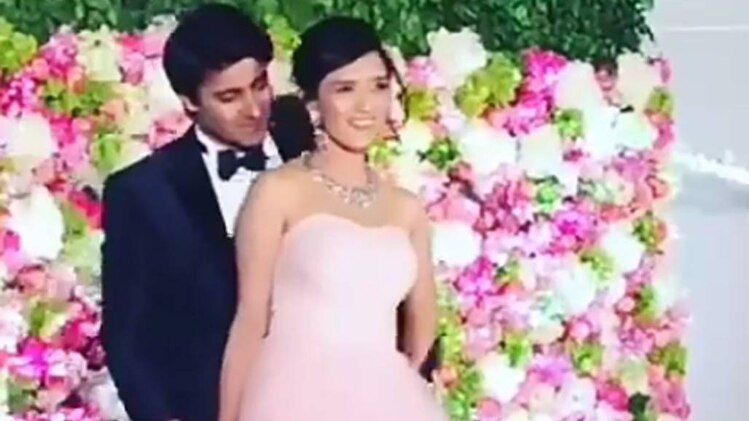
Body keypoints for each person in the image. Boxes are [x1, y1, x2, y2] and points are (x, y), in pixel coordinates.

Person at [218, 16, 449, 421]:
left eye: (378, 86)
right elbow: (250, 320)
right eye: (345, 89)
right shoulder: (279, 191)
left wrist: (400, 386)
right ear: (313, 103)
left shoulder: (406, 209)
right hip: (292, 398)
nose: (365, 106)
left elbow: (424, 318)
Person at [99, 4, 306, 421]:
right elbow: (129, 341)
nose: (254, 109)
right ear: (189, 102)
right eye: (229, 97)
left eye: (259, 86)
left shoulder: (310, 147)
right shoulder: (143, 193)